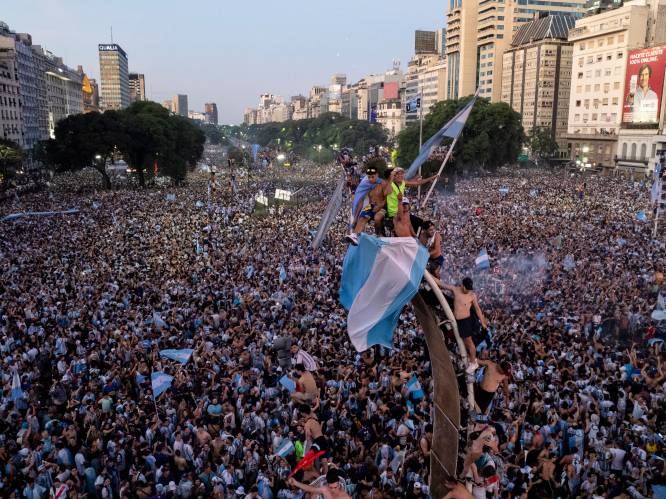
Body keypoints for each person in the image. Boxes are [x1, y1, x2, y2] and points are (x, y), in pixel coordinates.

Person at [438, 277, 488, 372]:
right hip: (459, 322)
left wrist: (483, 323)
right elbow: (441, 284)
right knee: (466, 343)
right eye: (467, 288)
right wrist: (427, 275)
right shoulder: (455, 290)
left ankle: (473, 362)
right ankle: (472, 361)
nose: (468, 290)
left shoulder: (472, 296)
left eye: (470, 288)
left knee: (469, 343)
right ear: (462, 285)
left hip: (466, 321)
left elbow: (477, 309)